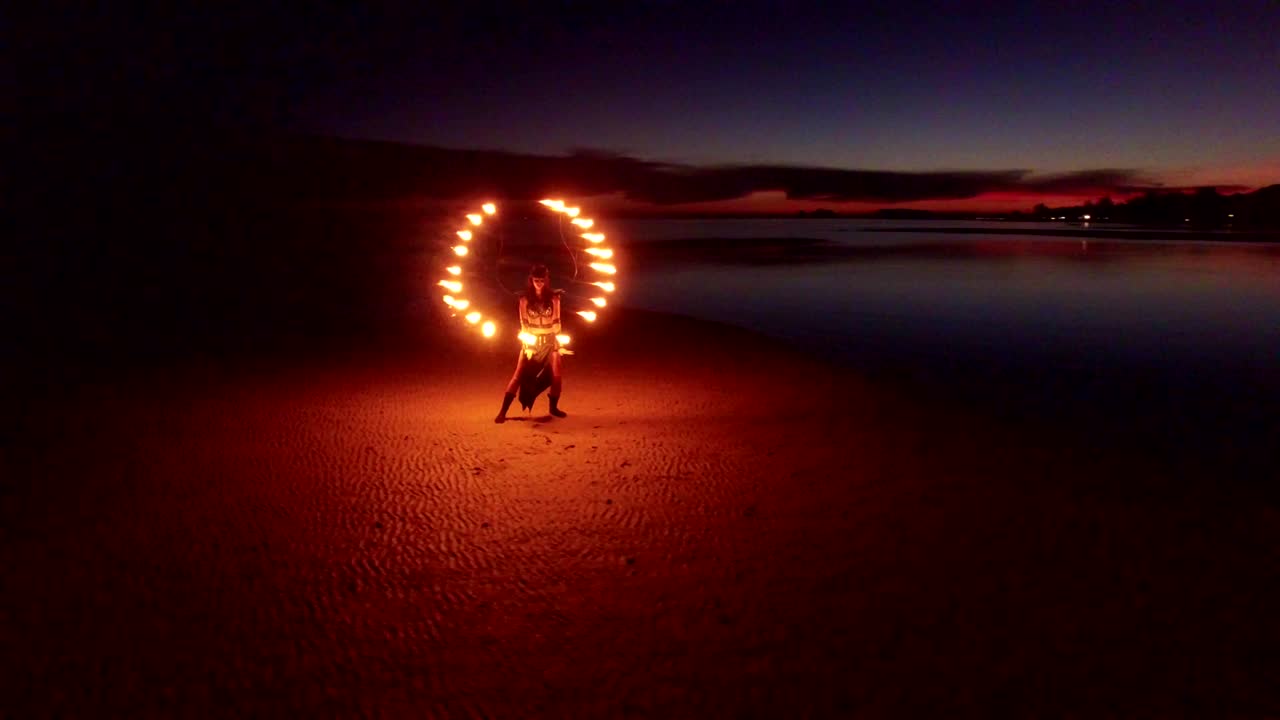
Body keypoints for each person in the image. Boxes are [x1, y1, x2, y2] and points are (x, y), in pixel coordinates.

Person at [495, 264, 567, 422]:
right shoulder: (524, 299)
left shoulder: (554, 298)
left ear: (546, 280)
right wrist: (527, 343)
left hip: (550, 340)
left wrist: (558, 342)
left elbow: (557, 321)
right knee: (518, 375)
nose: (539, 283)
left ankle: (553, 408)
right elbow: (524, 324)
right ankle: (503, 412)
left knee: (556, 375)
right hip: (532, 342)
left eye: (542, 280)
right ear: (531, 280)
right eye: (536, 280)